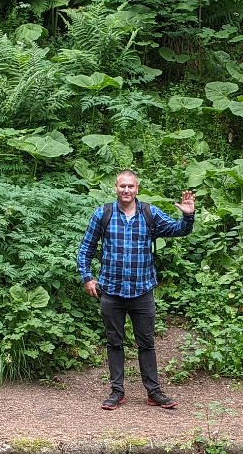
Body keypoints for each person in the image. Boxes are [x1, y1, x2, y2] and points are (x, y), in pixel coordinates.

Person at [77, 170, 195, 410]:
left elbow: (179, 230)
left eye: (131, 186)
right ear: (116, 187)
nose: (127, 190)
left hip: (142, 291)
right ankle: (117, 391)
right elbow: (86, 248)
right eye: (123, 186)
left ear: (137, 188)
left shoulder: (149, 213)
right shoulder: (103, 214)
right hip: (111, 290)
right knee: (114, 342)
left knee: (147, 343)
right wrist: (87, 277)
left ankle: (154, 392)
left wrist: (188, 216)